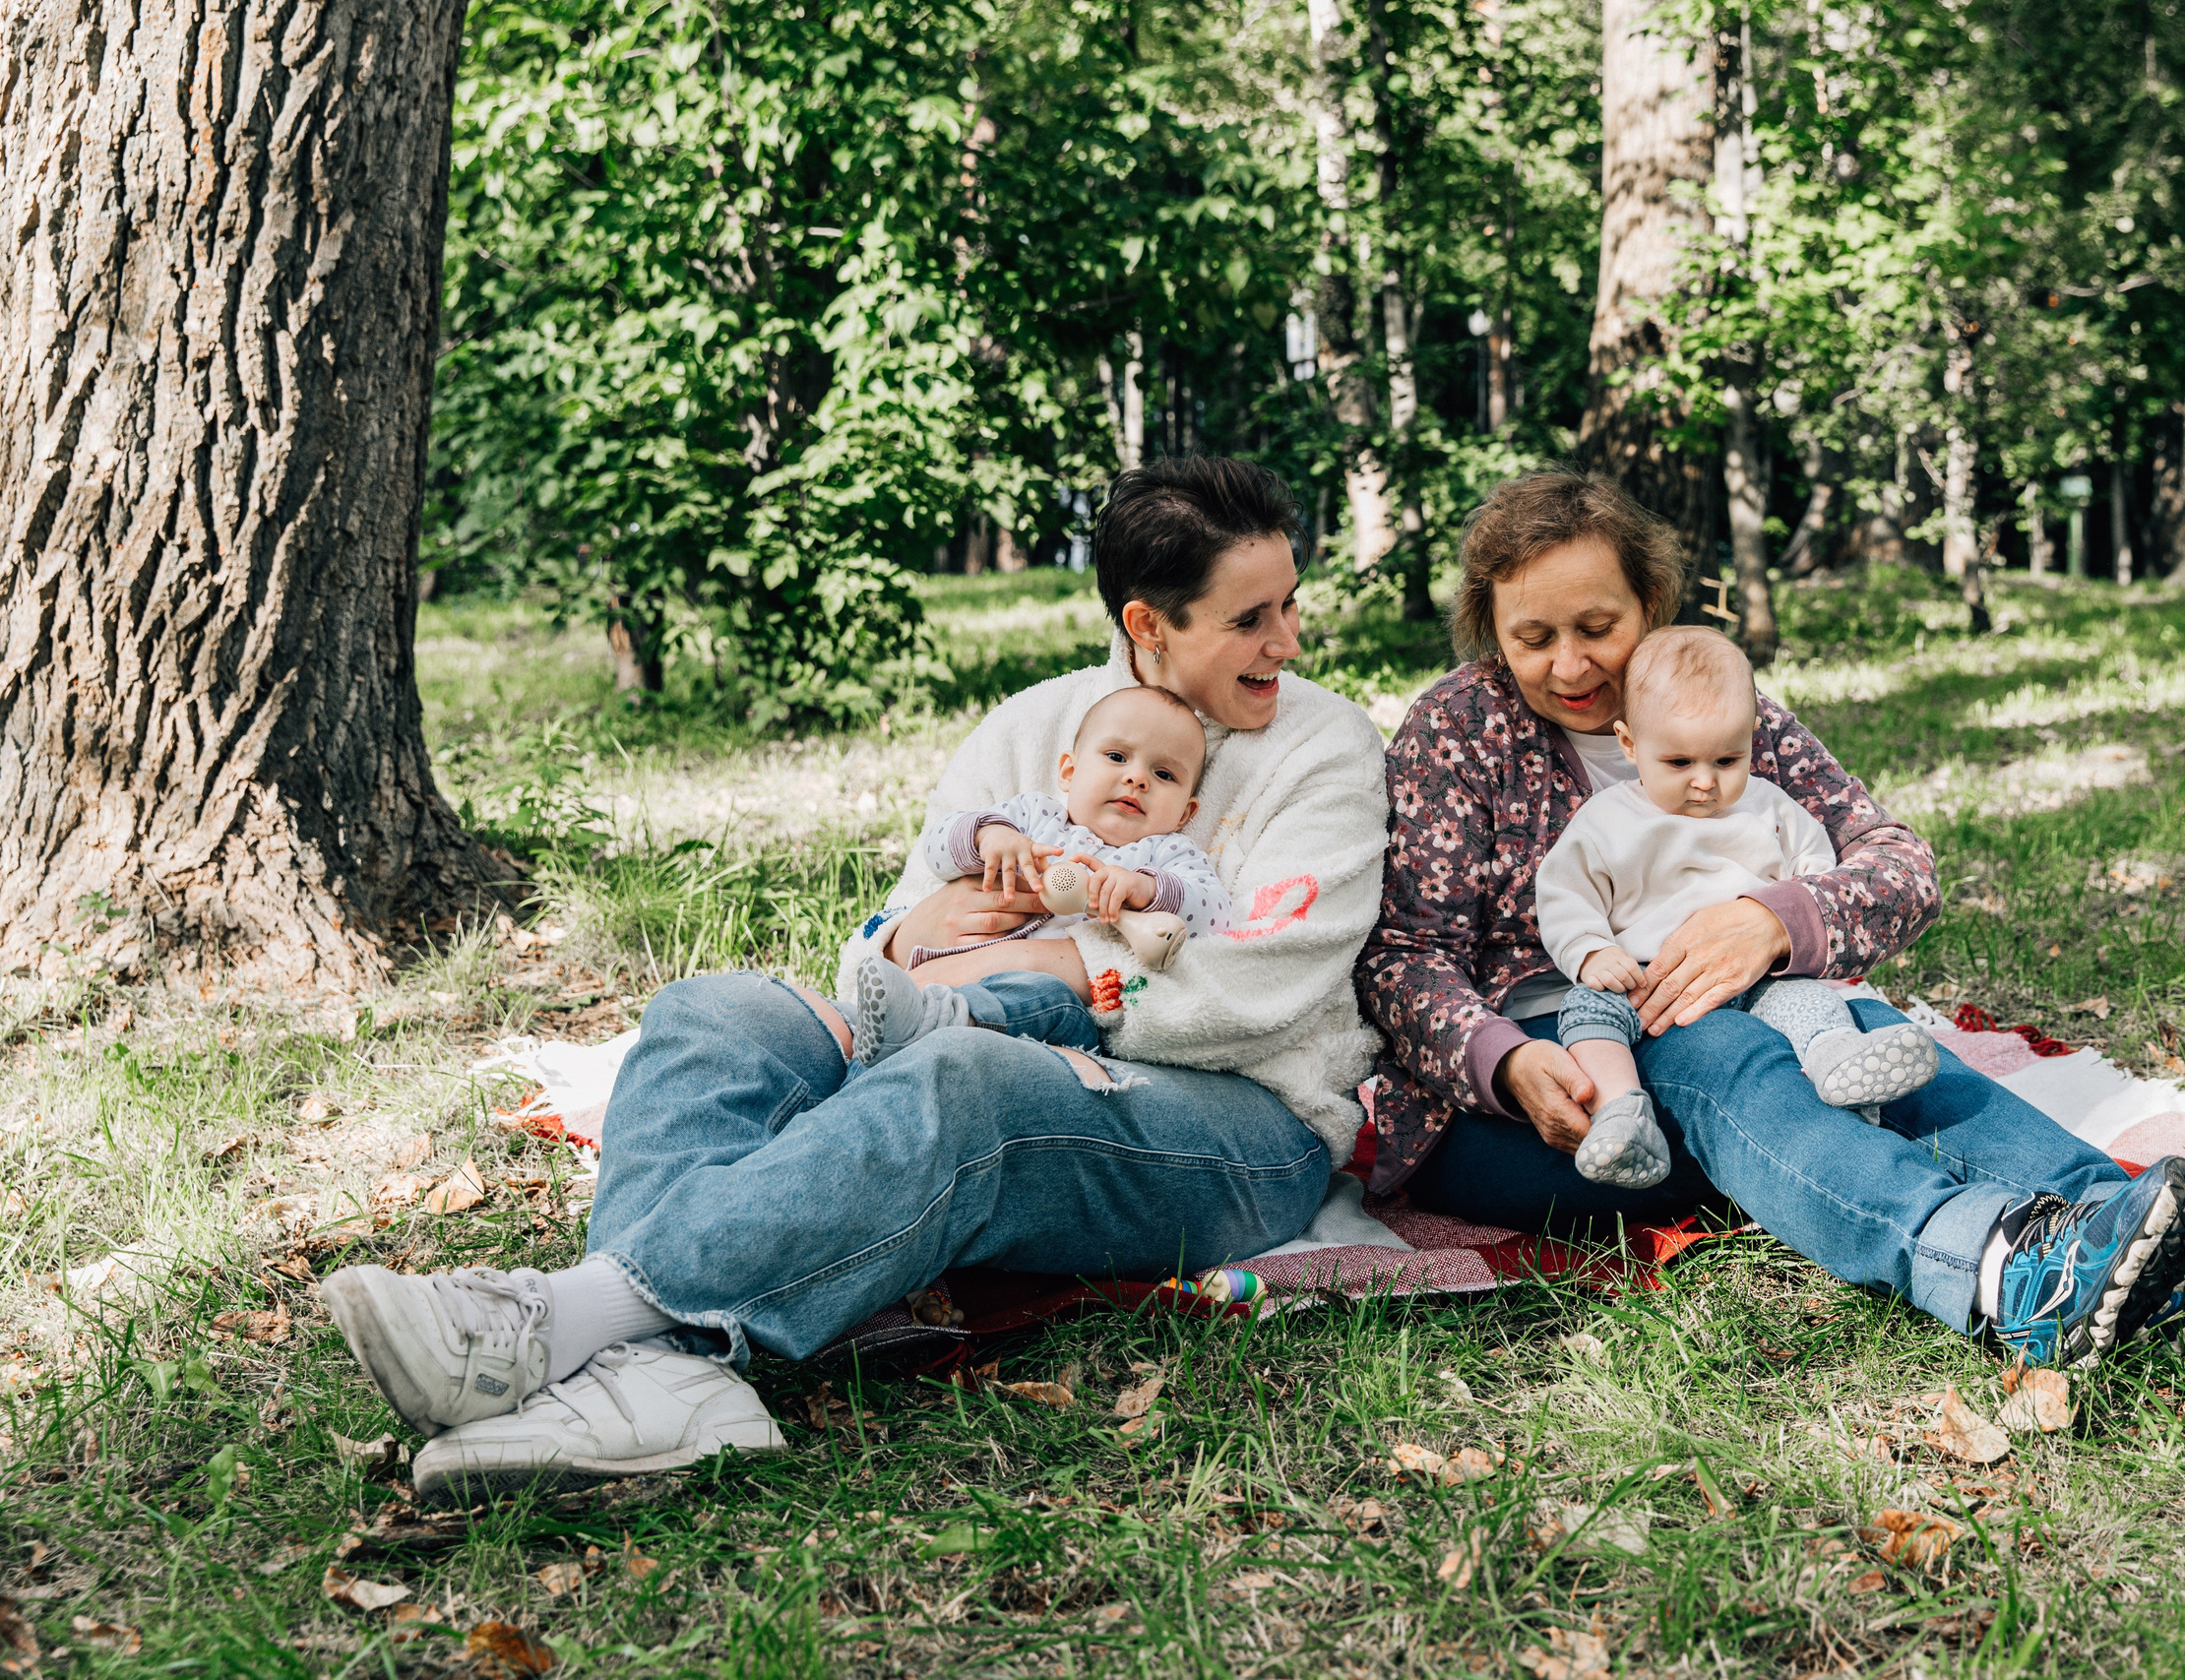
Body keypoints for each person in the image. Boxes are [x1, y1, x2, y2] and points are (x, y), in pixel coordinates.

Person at [322, 459, 1391, 1499]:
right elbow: (879, 955)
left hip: (1243, 1128)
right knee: (712, 1014)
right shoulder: (1034, 727)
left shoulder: (1326, 748)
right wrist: (907, 935)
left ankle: (562, 1320)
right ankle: (662, 1381)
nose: (1287, 642)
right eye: (1252, 619)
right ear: (1148, 624)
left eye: (1289, 607)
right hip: (978, 1033)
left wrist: (1032, 961)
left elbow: (1263, 988)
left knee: (966, 1080)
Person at [1359, 470, 2185, 1370]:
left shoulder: (1717, 709)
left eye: (1599, 628)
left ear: (1654, 603)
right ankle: (1996, 1268)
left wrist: (1778, 918)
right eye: (1532, 638)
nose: (1571, 666)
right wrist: (1501, 1060)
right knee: (1722, 1048)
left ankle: (2158, 1232)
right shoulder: (1460, 729)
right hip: (1546, 1073)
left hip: (1748, 1006)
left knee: (1879, 1047)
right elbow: (1404, 953)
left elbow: (1897, 861)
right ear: (1491, 634)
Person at [1534, 625, 1941, 1191]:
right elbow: (1565, 894)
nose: (1705, 782)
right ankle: (1621, 1112)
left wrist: (1785, 911)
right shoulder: (1607, 820)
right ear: (1629, 745)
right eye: (1678, 763)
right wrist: (1590, 952)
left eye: (1727, 759)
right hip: (1642, 980)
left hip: (1755, 973)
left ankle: (1838, 1060)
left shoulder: (1766, 805)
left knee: (1807, 1004)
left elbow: (1816, 868)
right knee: (1586, 1014)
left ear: (1752, 738)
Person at [849, 683, 1230, 1067]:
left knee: (1037, 994)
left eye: (1164, 774)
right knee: (864, 1056)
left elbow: (1215, 914)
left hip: (1053, 1009)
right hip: (949, 969)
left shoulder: (1165, 852)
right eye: (1117, 756)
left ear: (1185, 813)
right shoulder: (1033, 817)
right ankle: (880, 1039)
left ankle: (939, 1020)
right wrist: (988, 836)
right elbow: (936, 849)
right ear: (1069, 771)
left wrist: (1146, 888)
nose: (1137, 778)